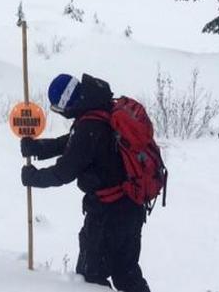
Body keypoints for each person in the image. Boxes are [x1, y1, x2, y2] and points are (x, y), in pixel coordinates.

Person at [20, 73, 151, 292]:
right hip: (131, 206)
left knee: (90, 280)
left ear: (67, 105)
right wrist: (38, 148)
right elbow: (74, 143)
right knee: (126, 273)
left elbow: (64, 172)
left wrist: (33, 178)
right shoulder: (103, 107)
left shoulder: (89, 126)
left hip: (108, 215)